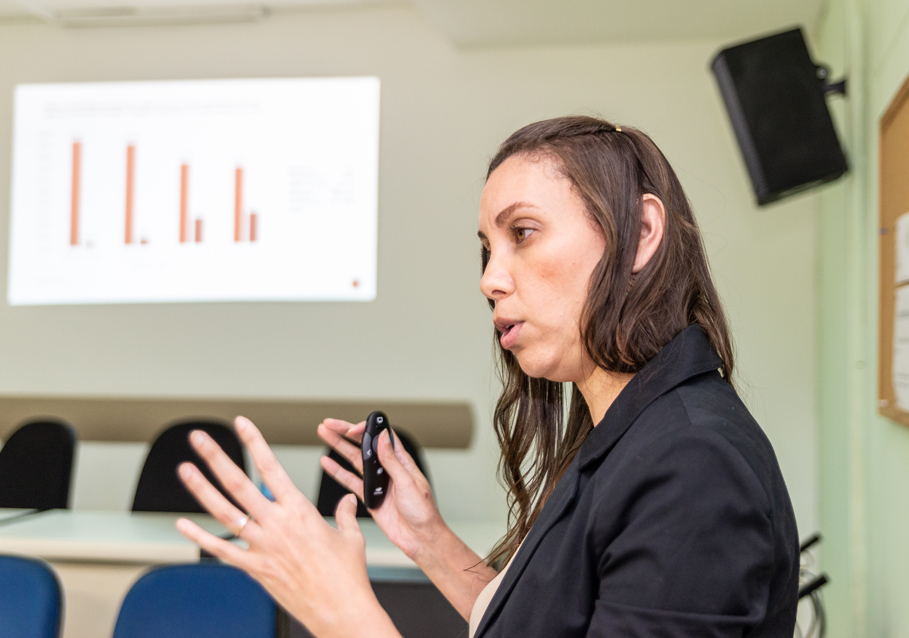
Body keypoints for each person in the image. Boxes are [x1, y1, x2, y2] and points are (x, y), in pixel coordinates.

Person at [176, 115, 800, 637]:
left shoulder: (693, 462)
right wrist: (429, 539)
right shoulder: (629, 432)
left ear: (639, 235)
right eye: (487, 248)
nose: (489, 280)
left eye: (522, 234)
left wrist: (343, 613)